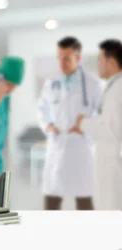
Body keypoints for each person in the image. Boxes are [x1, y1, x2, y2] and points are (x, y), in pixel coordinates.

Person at [37, 37, 102, 210]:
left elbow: (101, 114)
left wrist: (86, 126)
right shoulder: (51, 82)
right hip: (57, 146)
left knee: (84, 202)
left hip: (81, 147)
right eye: (59, 58)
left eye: (66, 58)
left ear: (78, 58)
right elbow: (42, 109)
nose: (61, 63)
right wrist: (47, 125)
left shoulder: (93, 83)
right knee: (51, 201)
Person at [70, 39, 122, 210]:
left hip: (113, 164)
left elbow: (111, 130)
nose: (97, 64)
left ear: (112, 62)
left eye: (100, 60)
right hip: (109, 161)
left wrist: (82, 122)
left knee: (111, 210)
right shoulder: (113, 86)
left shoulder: (117, 90)